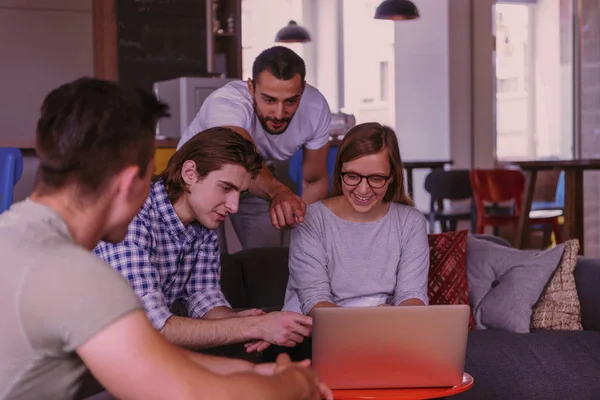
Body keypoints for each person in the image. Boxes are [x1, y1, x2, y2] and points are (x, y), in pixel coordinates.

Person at [0, 77, 331, 400]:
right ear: (131, 182)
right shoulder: (80, 275)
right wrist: (294, 385)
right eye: (149, 177)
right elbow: (185, 388)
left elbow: (140, 353)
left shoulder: (17, 236)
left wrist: (255, 374)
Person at [94, 127, 313, 353]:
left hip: (137, 351)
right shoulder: (132, 217)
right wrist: (253, 326)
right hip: (90, 353)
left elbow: (204, 299)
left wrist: (243, 319)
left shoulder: (204, 222)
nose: (234, 206)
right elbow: (149, 328)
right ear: (190, 173)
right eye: (226, 188)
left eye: (240, 193)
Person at [266, 122, 430, 360]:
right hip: (314, 336)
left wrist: (396, 322)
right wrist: (371, 329)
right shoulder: (311, 219)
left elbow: (412, 295)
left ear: (392, 177)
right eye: (352, 176)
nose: (363, 190)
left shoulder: (410, 221)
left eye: (376, 178)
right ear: (340, 171)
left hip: (383, 334)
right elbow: (316, 302)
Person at [178, 46, 332, 250]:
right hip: (202, 177)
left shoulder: (316, 108)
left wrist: (308, 237)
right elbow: (242, 157)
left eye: (290, 101)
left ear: (302, 89)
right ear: (251, 88)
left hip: (258, 176)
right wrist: (278, 191)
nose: (279, 113)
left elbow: (314, 180)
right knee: (213, 263)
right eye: (269, 100)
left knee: (265, 259)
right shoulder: (227, 102)